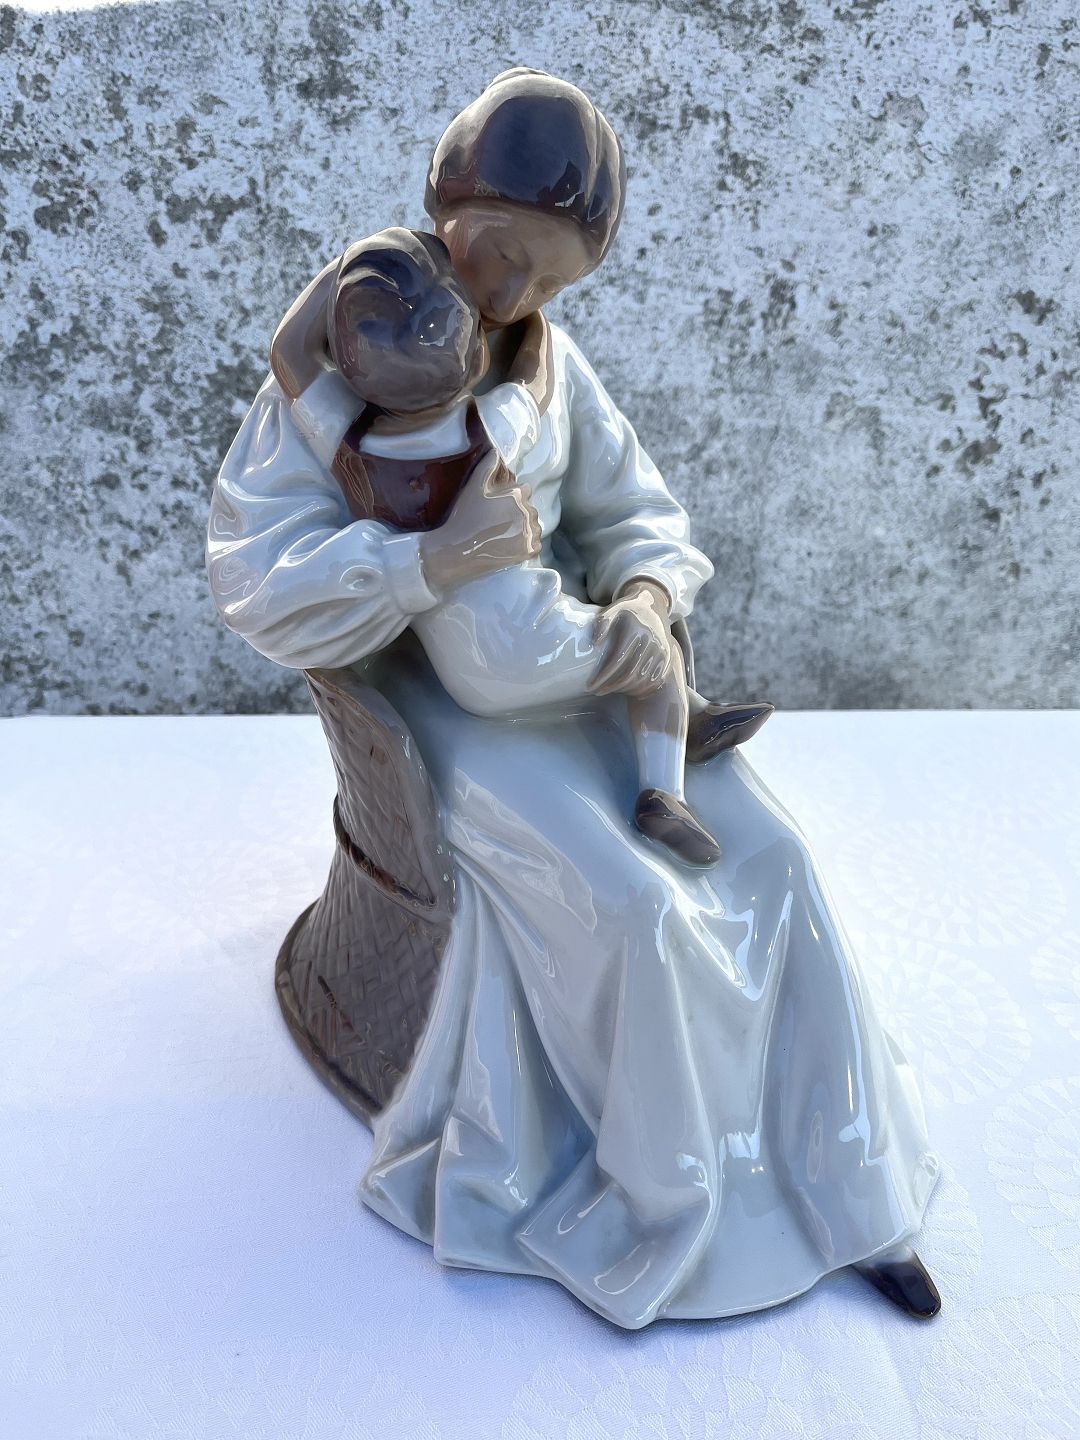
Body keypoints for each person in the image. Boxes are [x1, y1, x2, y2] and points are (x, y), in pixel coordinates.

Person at [208, 68, 941, 1328]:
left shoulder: (550, 369)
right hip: (438, 699)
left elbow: (636, 507)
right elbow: (254, 580)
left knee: (775, 858)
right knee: (633, 907)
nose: (508, 293)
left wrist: (647, 597)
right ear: (446, 206)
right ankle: (664, 1205)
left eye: (546, 278)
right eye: (496, 252)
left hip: (580, 657)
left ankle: (845, 1185)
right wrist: (425, 564)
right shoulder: (348, 359)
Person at [271, 224, 771, 865]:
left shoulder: (350, 446)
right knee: (654, 651)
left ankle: (691, 716)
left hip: (465, 660)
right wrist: (536, 336)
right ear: (475, 362)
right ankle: (663, 790)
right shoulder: (487, 427)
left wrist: (354, 263)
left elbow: (289, 350)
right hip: (524, 639)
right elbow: (537, 382)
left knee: (622, 642)